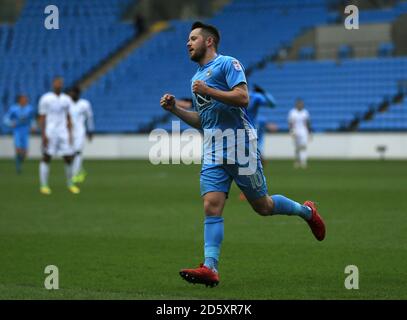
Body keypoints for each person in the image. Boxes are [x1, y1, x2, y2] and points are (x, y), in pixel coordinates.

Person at [160, 21, 326, 287]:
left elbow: (242, 98)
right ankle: (210, 267)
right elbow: (205, 120)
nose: (188, 43)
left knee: (263, 207)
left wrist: (208, 90)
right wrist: (176, 111)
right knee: (211, 206)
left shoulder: (228, 64)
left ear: (209, 41)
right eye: (187, 40)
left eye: (193, 38)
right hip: (213, 148)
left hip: (240, 145)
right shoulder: (195, 78)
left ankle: (307, 212)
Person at [38, 77, 79, 195]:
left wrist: (70, 134)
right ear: (53, 84)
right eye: (57, 83)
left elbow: (69, 117)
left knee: (68, 158)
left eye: (60, 83)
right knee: (47, 156)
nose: (58, 85)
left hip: (63, 132)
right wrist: (43, 134)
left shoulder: (66, 99)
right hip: (50, 131)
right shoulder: (46, 98)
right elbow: (42, 117)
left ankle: (70, 184)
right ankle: (44, 185)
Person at [68, 86, 94, 184]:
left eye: (73, 93)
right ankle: (81, 171)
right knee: (71, 153)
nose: (71, 95)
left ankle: (75, 174)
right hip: (70, 132)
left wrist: (90, 130)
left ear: (77, 94)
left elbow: (90, 118)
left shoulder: (85, 104)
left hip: (80, 132)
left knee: (77, 152)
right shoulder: (68, 104)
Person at [3, 95, 35, 173]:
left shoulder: (29, 109)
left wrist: (33, 126)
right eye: (23, 99)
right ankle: (18, 168)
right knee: (18, 149)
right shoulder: (13, 109)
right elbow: (5, 119)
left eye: (26, 99)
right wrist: (11, 123)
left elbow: (32, 119)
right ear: (19, 100)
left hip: (25, 131)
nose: (25, 100)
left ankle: (20, 161)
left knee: (24, 153)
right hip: (17, 130)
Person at [288, 98, 312, 169]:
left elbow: (308, 123)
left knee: (303, 146)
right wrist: (291, 131)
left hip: (304, 131)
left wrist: (309, 132)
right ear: (296, 104)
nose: (300, 105)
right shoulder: (292, 112)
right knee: (297, 147)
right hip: (295, 131)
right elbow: (290, 122)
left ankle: (303, 161)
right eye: (298, 103)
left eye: (301, 103)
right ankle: (297, 161)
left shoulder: (305, 112)